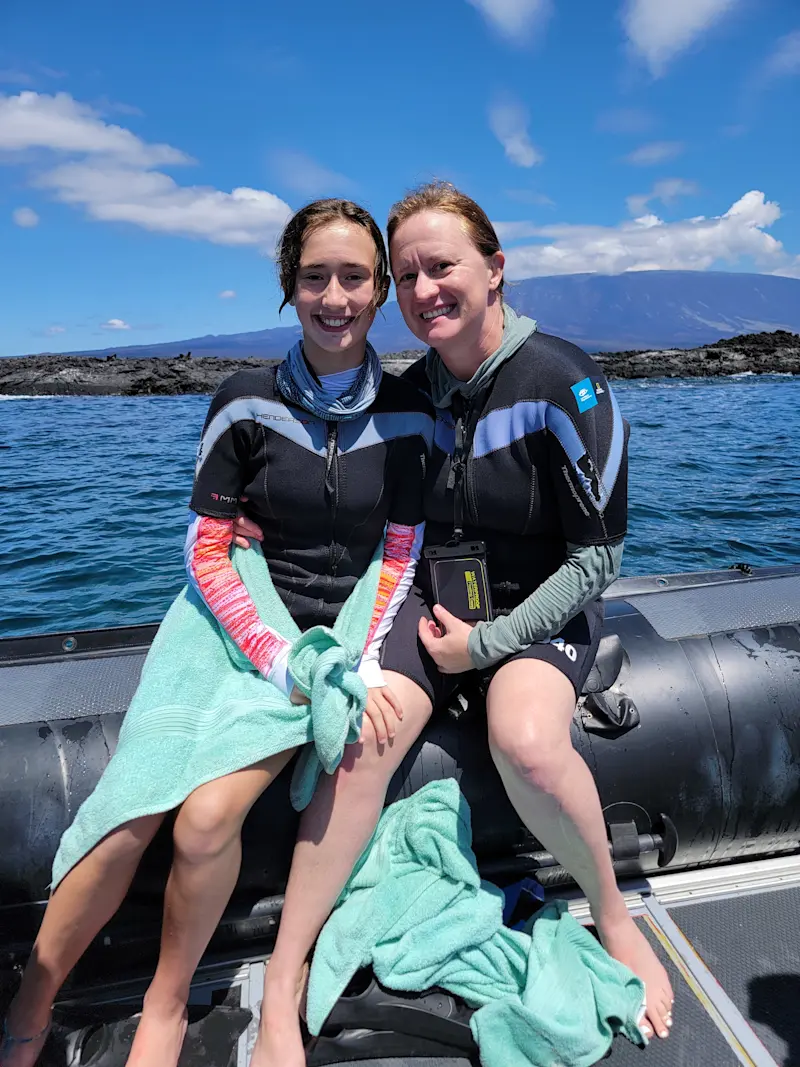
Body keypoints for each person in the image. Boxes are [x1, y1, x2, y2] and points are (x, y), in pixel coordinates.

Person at [243, 182, 673, 1066]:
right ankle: (283, 984)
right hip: (432, 598)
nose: (423, 289)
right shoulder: (409, 392)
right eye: (407, 275)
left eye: (442, 266)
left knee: (523, 737)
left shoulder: (567, 384)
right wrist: (255, 524)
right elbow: (340, 483)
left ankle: (616, 917)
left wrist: (486, 644)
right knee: (363, 734)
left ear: (494, 269)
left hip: (536, 601)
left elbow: (597, 560)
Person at [1, 199, 432, 1067]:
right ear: (289, 287)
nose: (334, 296)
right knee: (134, 805)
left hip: (342, 636)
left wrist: (352, 658)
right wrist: (275, 659)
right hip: (242, 628)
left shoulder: (413, 412)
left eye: (354, 277)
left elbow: (401, 552)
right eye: (315, 277)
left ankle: (166, 1004)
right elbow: (206, 549)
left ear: (380, 290)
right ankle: (34, 996)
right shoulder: (242, 402)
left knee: (205, 824)